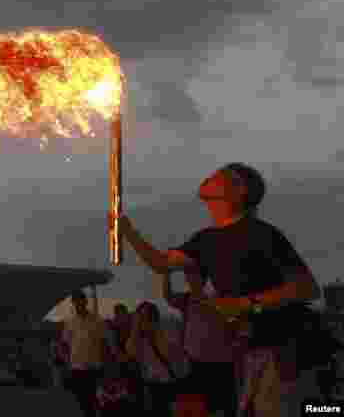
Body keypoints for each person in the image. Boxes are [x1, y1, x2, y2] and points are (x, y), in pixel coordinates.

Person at [117, 163, 322, 417]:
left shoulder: (262, 234)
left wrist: (248, 303)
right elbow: (162, 264)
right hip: (250, 352)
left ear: (239, 191)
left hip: (284, 349)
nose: (213, 174)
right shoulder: (206, 239)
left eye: (222, 175)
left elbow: (307, 288)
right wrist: (126, 231)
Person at [161, 267, 239, 417]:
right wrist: (166, 272)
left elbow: (234, 327)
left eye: (192, 276)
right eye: (188, 276)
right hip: (195, 364)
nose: (189, 279)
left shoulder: (220, 298)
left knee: (219, 408)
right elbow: (168, 296)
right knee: (198, 408)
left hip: (219, 364)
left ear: (203, 279)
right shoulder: (187, 299)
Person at [58, 288, 116, 417]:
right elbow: (63, 345)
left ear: (85, 301)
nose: (78, 304)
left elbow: (104, 344)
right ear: (73, 303)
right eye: (75, 301)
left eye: (81, 300)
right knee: (82, 402)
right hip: (77, 368)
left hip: (95, 368)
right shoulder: (69, 322)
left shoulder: (97, 321)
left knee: (95, 401)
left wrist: (107, 366)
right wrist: (67, 362)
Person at [124, 301, 187, 416]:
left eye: (144, 317)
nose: (141, 321)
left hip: (170, 384)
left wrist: (153, 331)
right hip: (152, 385)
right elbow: (130, 351)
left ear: (153, 318)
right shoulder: (139, 337)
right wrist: (135, 330)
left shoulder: (166, 330)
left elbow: (168, 353)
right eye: (139, 318)